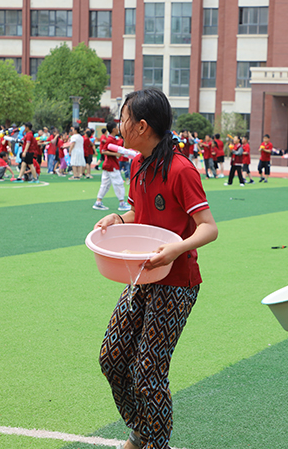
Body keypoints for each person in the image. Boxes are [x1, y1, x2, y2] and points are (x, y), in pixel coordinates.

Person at [95, 88, 218, 449]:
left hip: (177, 283)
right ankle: (142, 430)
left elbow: (208, 227)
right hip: (141, 277)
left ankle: (155, 442)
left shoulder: (181, 169)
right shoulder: (137, 163)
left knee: (148, 371)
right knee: (112, 359)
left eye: (124, 118)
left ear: (142, 126)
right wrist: (118, 218)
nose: (120, 124)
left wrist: (175, 249)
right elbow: (140, 214)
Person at [93, 128, 129, 211]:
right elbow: (104, 151)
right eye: (116, 127)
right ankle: (122, 203)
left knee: (105, 184)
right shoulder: (109, 139)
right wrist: (116, 154)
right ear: (113, 129)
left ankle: (98, 202)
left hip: (108, 165)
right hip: (111, 165)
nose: (118, 129)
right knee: (119, 183)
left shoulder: (112, 139)